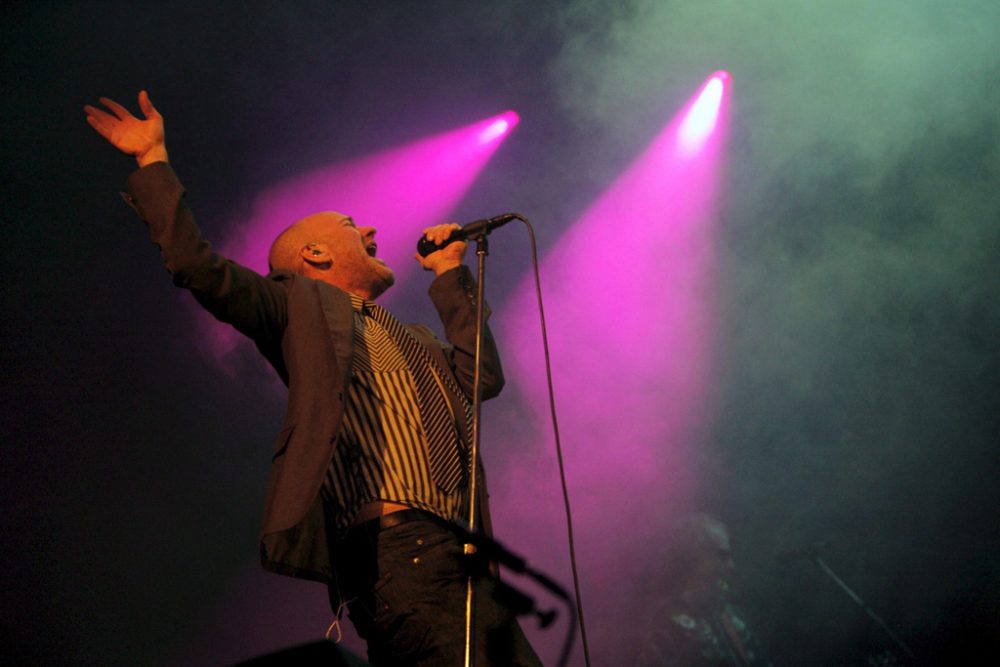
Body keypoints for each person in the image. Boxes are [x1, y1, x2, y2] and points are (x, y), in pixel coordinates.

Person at [84, 91, 542, 667]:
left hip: (469, 555)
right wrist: (152, 159)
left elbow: (482, 377)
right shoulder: (293, 306)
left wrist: (450, 275)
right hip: (400, 553)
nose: (373, 228)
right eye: (354, 226)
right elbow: (198, 267)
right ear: (318, 254)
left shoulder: (415, 339)